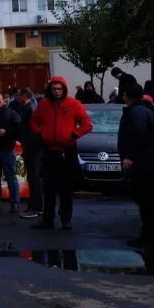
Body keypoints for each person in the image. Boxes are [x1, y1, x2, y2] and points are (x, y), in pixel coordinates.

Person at [29, 76, 93, 230]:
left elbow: (87, 124)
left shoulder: (74, 104)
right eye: (54, 89)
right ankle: (48, 219)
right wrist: (41, 133)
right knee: (49, 188)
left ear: (64, 89)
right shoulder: (44, 105)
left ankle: (66, 219)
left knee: (66, 188)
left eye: (59, 89)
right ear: (50, 90)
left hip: (67, 150)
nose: (57, 92)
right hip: (49, 150)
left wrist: (75, 134)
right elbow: (33, 122)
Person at [118, 80, 154, 247]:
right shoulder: (147, 110)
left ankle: (150, 237)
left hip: (145, 166)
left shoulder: (137, 112)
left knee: (147, 203)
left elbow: (138, 136)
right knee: (152, 203)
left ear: (127, 97)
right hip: (152, 165)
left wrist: (129, 157)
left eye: (124, 95)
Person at [11, 87, 42, 218]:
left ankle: (35, 206)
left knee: (33, 177)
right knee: (34, 177)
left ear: (24, 95)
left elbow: (24, 128)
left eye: (18, 95)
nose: (17, 98)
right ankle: (36, 205)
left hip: (32, 148)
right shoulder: (34, 106)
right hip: (34, 147)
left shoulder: (28, 108)